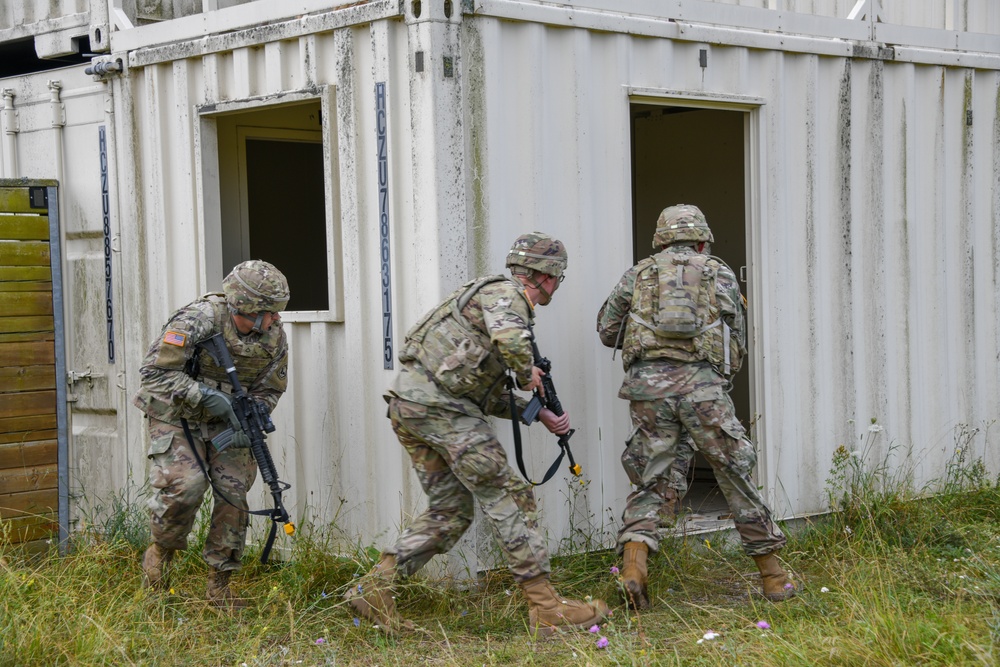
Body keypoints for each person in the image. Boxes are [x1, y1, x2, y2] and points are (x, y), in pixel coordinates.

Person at [346, 232, 609, 636]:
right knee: (511, 496)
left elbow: (474, 388)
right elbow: (509, 340)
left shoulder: (486, 298)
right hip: (443, 411)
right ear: (547, 275)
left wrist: (533, 413)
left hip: (412, 407)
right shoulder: (508, 296)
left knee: (451, 511)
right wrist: (526, 375)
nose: (557, 284)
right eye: (558, 276)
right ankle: (546, 609)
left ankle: (374, 588)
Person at [597, 205, 795, 609]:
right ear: (702, 240)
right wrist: (718, 379)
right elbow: (736, 336)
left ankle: (634, 568)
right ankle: (774, 578)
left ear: (661, 240)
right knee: (733, 473)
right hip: (703, 390)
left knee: (651, 479)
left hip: (649, 392)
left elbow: (606, 330)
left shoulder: (637, 274)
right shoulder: (718, 272)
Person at [133, 260, 290, 609]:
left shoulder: (274, 337)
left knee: (234, 496)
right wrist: (207, 397)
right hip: (176, 415)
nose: (277, 319)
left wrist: (254, 413)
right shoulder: (198, 320)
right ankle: (159, 559)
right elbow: (154, 375)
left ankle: (220, 585)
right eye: (270, 312)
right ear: (245, 308)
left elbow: (271, 388)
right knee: (185, 487)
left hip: (228, 425)